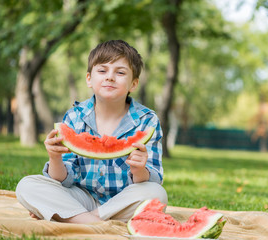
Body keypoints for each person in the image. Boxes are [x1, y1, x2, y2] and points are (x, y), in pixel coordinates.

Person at [16, 40, 167, 224]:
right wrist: (55, 158)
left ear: (133, 84)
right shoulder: (74, 117)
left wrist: (139, 169)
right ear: (89, 79)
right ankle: (98, 222)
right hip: (80, 197)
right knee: (27, 186)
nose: (110, 77)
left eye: (120, 72)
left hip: (123, 200)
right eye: (102, 71)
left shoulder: (147, 121)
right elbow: (62, 179)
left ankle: (78, 218)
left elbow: (153, 178)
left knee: (157, 194)